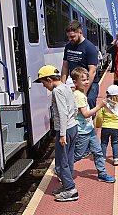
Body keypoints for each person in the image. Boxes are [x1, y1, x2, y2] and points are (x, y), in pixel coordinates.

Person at [34, 65, 78, 202]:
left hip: (64, 130)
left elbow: (62, 112)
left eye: (43, 83)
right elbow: (74, 108)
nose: (44, 86)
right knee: (69, 159)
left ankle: (71, 189)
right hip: (73, 127)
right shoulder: (66, 87)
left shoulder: (57, 91)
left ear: (49, 79)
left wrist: (62, 133)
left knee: (61, 162)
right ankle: (66, 186)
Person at [71, 67, 116, 183]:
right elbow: (85, 114)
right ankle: (63, 169)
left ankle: (102, 173)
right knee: (78, 155)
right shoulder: (78, 95)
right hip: (82, 131)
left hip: (89, 129)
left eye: (87, 79)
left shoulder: (81, 93)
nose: (87, 82)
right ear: (75, 82)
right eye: (84, 80)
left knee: (98, 152)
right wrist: (100, 106)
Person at [61, 20, 100, 109]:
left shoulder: (89, 48)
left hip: (89, 82)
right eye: (68, 37)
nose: (70, 39)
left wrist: (84, 91)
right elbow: (65, 66)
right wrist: (62, 87)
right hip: (75, 81)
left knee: (88, 104)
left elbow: (92, 71)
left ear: (80, 32)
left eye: (72, 36)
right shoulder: (68, 47)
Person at [96, 85, 118, 166]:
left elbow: (99, 116)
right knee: (115, 143)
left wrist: (98, 124)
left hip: (105, 127)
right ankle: (116, 159)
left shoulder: (104, 105)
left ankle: (102, 158)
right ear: (117, 96)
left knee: (103, 143)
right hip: (115, 128)